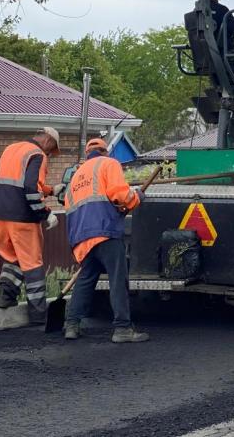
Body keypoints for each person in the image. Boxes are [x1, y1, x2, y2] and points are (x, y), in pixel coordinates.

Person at [63, 138, 149, 343]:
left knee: (86, 279)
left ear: (87, 154)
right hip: (105, 231)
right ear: (105, 152)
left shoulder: (76, 177)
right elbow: (120, 195)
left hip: (81, 237)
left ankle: (72, 325)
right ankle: (122, 329)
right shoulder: (109, 164)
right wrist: (136, 197)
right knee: (117, 279)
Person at [0, 127, 61, 324]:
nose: (50, 154)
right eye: (52, 149)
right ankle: (38, 314)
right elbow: (30, 189)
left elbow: (18, 183)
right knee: (32, 263)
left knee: (13, 257)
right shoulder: (37, 154)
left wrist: (51, 190)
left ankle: (5, 297)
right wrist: (45, 214)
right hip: (22, 216)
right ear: (48, 140)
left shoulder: (12, 149)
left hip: (1, 214)